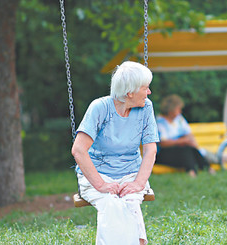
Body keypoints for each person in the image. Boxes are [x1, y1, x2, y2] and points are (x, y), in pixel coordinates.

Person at [71, 61, 159, 245]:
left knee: (131, 203)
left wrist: (138, 183)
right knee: (111, 204)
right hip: (97, 175)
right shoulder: (100, 108)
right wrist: (101, 184)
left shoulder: (146, 107)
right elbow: (79, 150)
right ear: (130, 92)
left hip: (131, 173)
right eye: (146, 88)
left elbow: (150, 149)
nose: (149, 92)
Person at [155, 94, 216, 177]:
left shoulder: (179, 119)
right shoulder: (160, 122)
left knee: (190, 149)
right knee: (185, 150)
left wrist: (188, 141)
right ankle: (194, 171)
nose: (180, 111)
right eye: (178, 109)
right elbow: (163, 143)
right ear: (171, 110)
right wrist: (182, 141)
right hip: (164, 153)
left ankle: (205, 168)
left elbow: (189, 134)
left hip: (180, 149)